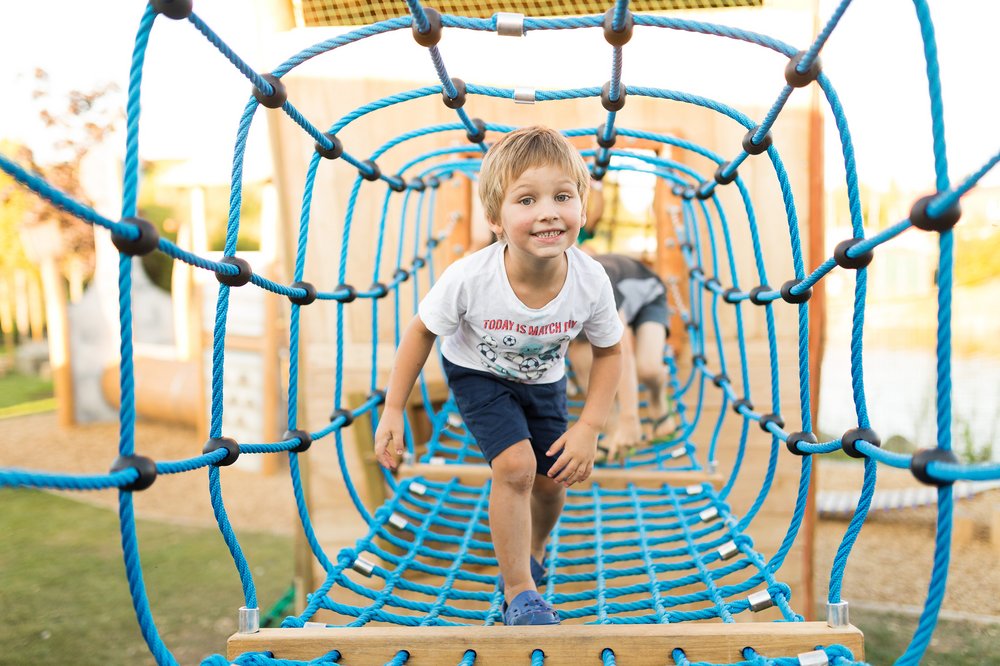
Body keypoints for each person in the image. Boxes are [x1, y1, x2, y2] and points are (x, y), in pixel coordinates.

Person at [373, 127, 623, 627]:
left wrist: (590, 426)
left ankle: (533, 548)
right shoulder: (471, 277)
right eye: (527, 199)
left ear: (582, 205)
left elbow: (610, 350)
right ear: (495, 220)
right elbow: (421, 331)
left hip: (545, 379)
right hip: (477, 373)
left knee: (551, 481)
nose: (549, 211)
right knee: (515, 468)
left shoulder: (591, 279)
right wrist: (394, 408)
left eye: (563, 196)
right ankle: (519, 591)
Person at [567, 252, 676, 461]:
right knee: (581, 358)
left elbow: (621, 350)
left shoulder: (596, 280)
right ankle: (611, 429)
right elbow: (581, 368)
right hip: (591, 307)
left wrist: (630, 416)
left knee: (648, 368)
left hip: (647, 299)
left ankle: (657, 398)